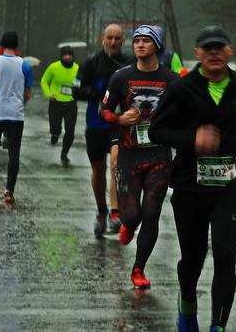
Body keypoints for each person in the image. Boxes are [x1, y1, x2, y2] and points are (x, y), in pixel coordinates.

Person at [149, 26, 236, 332]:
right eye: (208, 48)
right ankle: (187, 302)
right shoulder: (181, 89)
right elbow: (156, 130)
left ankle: (218, 326)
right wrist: (192, 139)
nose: (214, 53)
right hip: (191, 186)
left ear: (229, 52)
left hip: (229, 186)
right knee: (193, 258)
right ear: (198, 54)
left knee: (226, 252)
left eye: (220, 48)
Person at [100, 25, 178, 289]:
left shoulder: (171, 80)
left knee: (152, 213)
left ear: (156, 46)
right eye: (136, 41)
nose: (140, 45)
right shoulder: (121, 77)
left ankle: (138, 269)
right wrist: (120, 118)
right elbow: (104, 110)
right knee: (132, 216)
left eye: (146, 41)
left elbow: (184, 113)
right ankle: (129, 225)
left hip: (158, 155)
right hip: (129, 155)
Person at [76, 23, 134, 237]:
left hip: (119, 124)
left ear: (123, 41)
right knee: (99, 171)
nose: (113, 42)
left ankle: (115, 213)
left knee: (116, 163)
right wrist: (98, 94)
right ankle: (102, 211)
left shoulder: (129, 63)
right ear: (102, 39)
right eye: (109, 38)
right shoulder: (91, 63)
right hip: (96, 125)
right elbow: (76, 90)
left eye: (117, 38)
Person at [0, 31, 33, 204]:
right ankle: (9, 190)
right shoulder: (25, 66)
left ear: (1, 44)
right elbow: (28, 92)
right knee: (14, 153)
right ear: (17, 45)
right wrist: (20, 103)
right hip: (16, 115)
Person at [41, 46, 79, 165]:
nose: (67, 57)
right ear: (61, 56)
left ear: (72, 56)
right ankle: (55, 134)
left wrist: (79, 92)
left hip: (71, 103)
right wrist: (48, 94)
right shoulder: (53, 67)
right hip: (55, 102)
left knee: (70, 130)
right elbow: (44, 81)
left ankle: (64, 153)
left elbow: (80, 83)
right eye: (65, 55)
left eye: (69, 55)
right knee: (55, 127)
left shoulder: (77, 68)